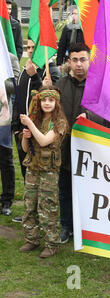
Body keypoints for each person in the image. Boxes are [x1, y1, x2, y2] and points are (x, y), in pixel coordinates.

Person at [55, 43, 110, 244]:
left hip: (92, 149)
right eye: (74, 60)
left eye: (83, 59)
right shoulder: (60, 85)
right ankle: (66, 226)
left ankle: (89, 228)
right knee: (65, 189)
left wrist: (90, 116)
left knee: (90, 190)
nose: (78, 64)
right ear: (68, 62)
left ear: (89, 61)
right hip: (65, 147)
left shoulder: (100, 85)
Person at [10, 38, 61, 223]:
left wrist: (36, 77)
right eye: (28, 47)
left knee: (41, 178)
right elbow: (20, 96)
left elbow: (51, 98)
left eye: (34, 47)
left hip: (41, 133)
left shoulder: (51, 70)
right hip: (24, 130)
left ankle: (42, 214)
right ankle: (29, 211)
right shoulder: (26, 68)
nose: (30, 51)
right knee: (26, 172)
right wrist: (17, 125)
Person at [18, 85, 69, 258]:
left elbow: (44, 141)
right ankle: (32, 239)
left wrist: (30, 125)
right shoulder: (36, 119)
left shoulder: (60, 122)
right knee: (29, 205)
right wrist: (26, 136)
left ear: (56, 102)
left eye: (51, 100)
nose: (47, 103)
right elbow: (26, 148)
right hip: (33, 168)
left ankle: (51, 244)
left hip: (49, 171)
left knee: (47, 207)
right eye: (44, 100)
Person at [0, 53, 19, 217]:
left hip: (3, 120)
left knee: (5, 161)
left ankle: (6, 200)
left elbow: (16, 85)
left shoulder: (9, 57)